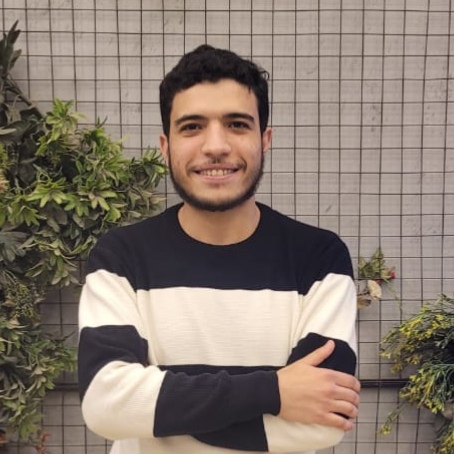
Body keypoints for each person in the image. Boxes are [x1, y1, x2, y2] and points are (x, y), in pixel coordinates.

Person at [78, 44, 360, 454]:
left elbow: (324, 423)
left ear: (265, 139)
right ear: (165, 145)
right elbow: (105, 404)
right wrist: (274, 391)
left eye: (237, 124)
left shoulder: (318, 258)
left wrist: (158, 415)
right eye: (192, 126)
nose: (215, 146)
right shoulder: (121, 258)